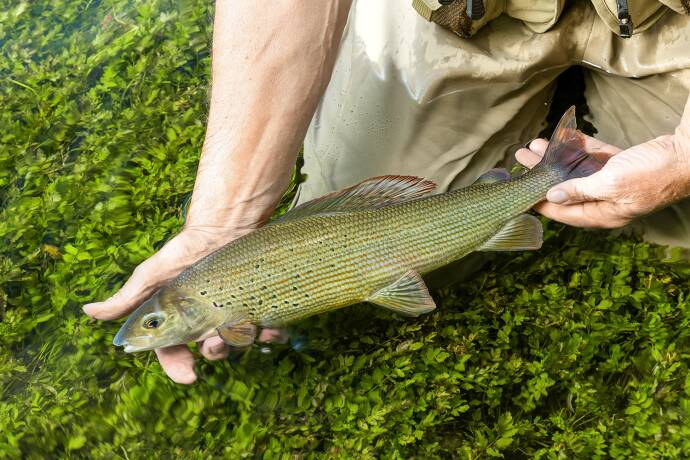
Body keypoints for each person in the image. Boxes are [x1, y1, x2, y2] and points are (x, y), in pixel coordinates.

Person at [83, 0, 690, 384]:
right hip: (469, 13)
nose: (148, 328)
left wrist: (682, 159)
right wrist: (224, 216)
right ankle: (539, 164)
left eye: (155, 321)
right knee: (411, 237)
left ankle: (565, 138)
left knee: (671, 230)